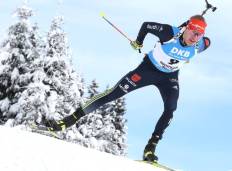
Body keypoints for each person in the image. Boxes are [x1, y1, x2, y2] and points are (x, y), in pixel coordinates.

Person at [44, 14, 211, 162]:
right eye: (193, 31)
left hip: (169, 78)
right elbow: (146, 25)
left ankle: (150, 147)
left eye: (200, 34)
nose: (195, 37)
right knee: (112, 94)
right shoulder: (169, 33)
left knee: (171, 109)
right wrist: (138, 42)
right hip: (148, 70)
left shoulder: (200, 44)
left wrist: (196, 33)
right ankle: (69, 120)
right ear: (186, 28)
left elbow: (207, 42)